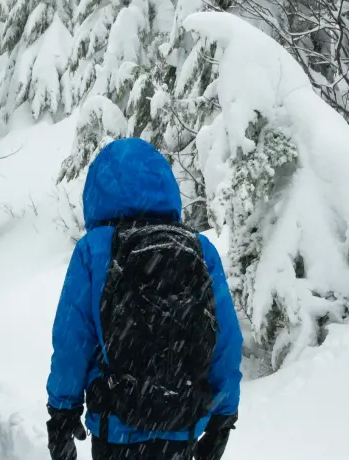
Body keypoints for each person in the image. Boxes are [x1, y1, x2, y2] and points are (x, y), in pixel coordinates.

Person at [46, 138, 242, 460]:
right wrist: (223, 417)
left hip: (116, 428)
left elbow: (73, 340)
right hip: (182, 425)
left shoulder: (94, 249)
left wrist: (62, 412)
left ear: (97, 192)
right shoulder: (199, 248)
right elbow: (226, 341)